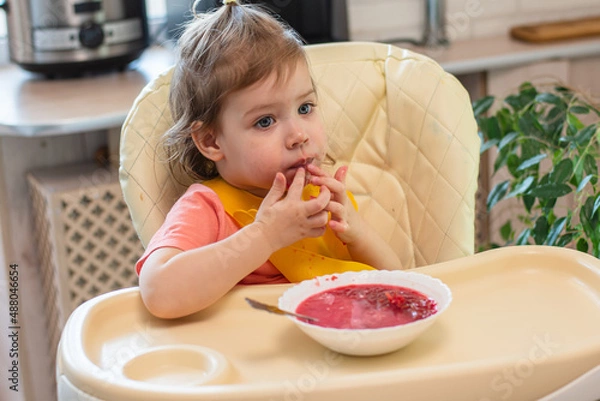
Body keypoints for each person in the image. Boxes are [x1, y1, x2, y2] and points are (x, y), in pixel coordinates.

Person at [136, 0, 403, 319]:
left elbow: (398, 283)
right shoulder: (208, 209)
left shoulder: (322, 197)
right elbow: (158, 292)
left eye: (305, 108)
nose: (299, 135)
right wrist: (264, 235)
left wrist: (358, 233)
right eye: (265, 121)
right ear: (210, 141)